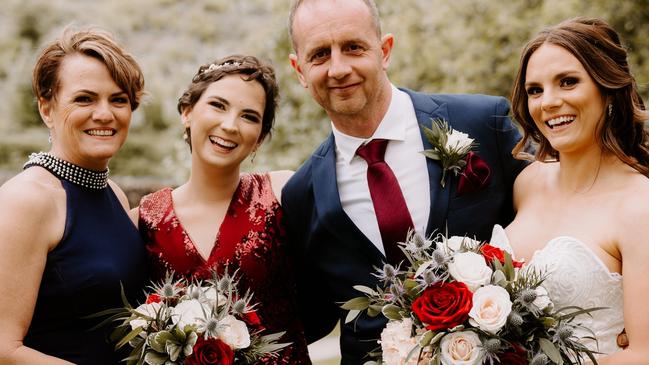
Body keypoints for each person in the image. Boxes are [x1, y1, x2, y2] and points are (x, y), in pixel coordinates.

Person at [282, 0, 527, 362]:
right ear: (299, 70)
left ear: (385, 51)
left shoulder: (483, 123)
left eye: (353, 47)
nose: (338, 68)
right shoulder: (300, 194)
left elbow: (558, 219)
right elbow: (306, 319)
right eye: (319, 55)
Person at [133, 55, 312, 364]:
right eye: (218, 105)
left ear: (260, 139)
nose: (230, 125)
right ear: (187, 113)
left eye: (249, 117)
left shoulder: (284, 193)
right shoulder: (144, 217)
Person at [503, 17, 649, 362]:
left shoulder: (638, 206)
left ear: (607, 89)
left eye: (568, 83)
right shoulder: (527, 183)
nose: (548, 102)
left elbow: (644, 353)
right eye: (535, 90)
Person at [0, 27, 148, 364]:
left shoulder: (115, 194)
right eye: (85, 98)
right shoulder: (26, 200)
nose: (104, 114)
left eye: (119, 100)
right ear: (46, 108)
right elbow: (3, 349)